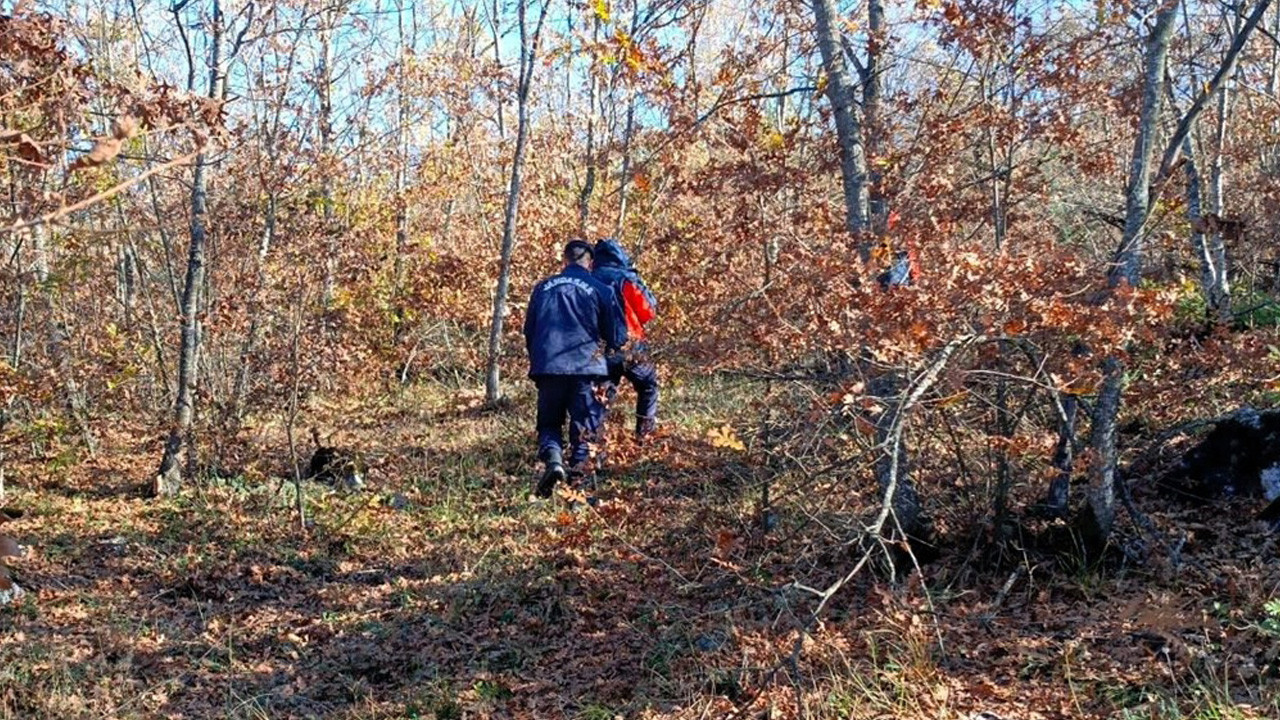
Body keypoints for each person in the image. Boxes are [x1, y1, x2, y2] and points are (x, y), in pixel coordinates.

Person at [523, 239, 627, 498]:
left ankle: (555, 462)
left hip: (548, 369)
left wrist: (539, 360)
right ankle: (577, 494)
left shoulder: (542, 288)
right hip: (586, 369)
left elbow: (529, 330)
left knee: (549, 424)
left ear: (564, 260)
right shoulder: (601, 289)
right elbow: (617, 336)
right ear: (590, 263)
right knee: (584, 430)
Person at [591, 238, 660, 439]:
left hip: (598, 348)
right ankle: (643, 437)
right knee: (648, 385)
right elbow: (648, 312)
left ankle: (595, 450)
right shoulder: (625, 278)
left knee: (601, 398)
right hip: (631, 345)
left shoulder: (587, 278)